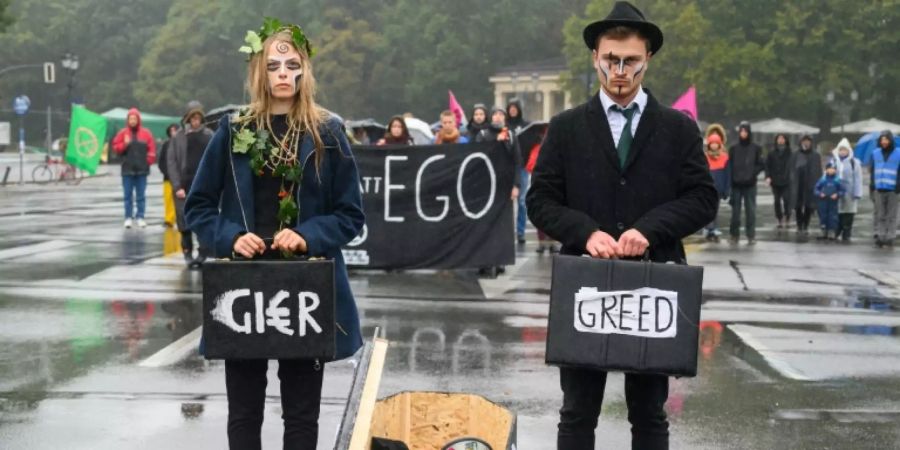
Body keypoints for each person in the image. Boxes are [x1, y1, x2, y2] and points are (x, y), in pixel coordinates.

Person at [526, 3, 718, 448]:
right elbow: (541, 200)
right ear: (595, 56)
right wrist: (586, 232)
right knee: (577, 413)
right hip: (586, 283)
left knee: (650, 414)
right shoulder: (567, 126)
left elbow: (703, 198)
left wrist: (650, 229)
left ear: (647, 57)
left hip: (655, 283)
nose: (620, 70)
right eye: (611, 59)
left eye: (630, 60)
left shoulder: (678, 128)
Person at [184, 21, 365, 450]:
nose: (283, 73)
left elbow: (350, 215)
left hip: (306, 289)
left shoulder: (328, 132)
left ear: (305, 70)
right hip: (244, 285)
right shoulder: (232, 130)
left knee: (301, 415)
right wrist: (229, 237)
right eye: (273, 66)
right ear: (259, 73)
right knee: (244, 412)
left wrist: (307, 234)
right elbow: (199, 206)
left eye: (291, 64)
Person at [168, 103, 214, 268]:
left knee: (203, 220)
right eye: (193, 118)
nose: (195, 121)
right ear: (187, 118)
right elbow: (171, 163)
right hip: (183, 186)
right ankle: (187, 252)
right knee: (184, 222)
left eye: (198, 118)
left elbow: (215, 160)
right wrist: (177, 186)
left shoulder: (209, 135)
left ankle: (203, 252)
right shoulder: (178, 137)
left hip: (203, 185)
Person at [112, 108, 156, 228]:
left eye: (134, 118)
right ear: (128, 120)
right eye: (130, 118)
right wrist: (124, 144)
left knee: (141, 196)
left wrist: (147, 162)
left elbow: (152, 150)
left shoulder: (146, 133)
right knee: (127, 196)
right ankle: (128, 217)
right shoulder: (123, 133)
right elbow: (115, 148)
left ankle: (140, 217)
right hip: (127, 170)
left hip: (142, 170)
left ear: (138, 119)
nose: (132, 121)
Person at [728, 121, 764, 245]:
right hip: (736, 184)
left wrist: (752, 173)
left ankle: (751, 235)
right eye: (741, 131)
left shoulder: (756, 148)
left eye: (745, 131)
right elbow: (729, 165)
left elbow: (761, 164)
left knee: (750, 211)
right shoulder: (733, 148)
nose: (743, 133)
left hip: (750, 184)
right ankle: (734, 234)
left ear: (749, 132)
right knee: (735, 213)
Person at [507, 98, 530, 244]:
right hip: (506, 166)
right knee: (506, 201)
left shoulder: (527, 125)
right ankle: (506, 231)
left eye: (515, 107)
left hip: (522, 166)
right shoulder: (505, 126)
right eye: (510, 108)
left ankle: (520, 231)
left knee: (521, 201)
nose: (513, 110)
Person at [831, 138, 863, 242]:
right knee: (837, 213)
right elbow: (827, 176)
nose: (843, 152)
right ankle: (837, 231)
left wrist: (857, 193)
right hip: (836, 192)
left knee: (849, 214)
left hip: (850, 193)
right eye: (841, 150)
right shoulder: (833, 162)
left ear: (849, 151)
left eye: (845, 150)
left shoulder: (855, 163)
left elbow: (858, 179)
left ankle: (847, 232)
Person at [789, 135, 822, 235]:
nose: (806, 143)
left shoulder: (815, 155)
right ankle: (799, 226)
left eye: (808, 141)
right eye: (804, 141)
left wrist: (818, 183)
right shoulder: (795, 154)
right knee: (798, 205)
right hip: (798, 183)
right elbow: (791, 168)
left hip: (810, 183)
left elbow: (818, 170)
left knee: (809, 205)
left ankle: (806, 225)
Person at [871, 130, 899, 248]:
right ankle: (881, 236)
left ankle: (891, 237)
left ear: (890, 140)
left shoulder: (898, 153)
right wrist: (872, 185)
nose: (884, 142)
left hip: (893, 189)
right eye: (882, 139)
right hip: (879, 188)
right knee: (881, 214)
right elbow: (873, 170)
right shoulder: (875, 153)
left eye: (886, 139)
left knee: (892, 215)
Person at [705, 133, 730, 242]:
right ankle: (710, 229)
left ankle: (712, 229)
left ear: (719, 144)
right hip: (707, 189)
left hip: (718, 189)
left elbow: (727, 175)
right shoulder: (704, 157)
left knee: (715, 210)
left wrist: (726, 189)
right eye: (712, 143)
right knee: (708, 210)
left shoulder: (725, 157)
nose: (714, 146)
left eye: (716, 143)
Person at [765, 133, 793, 228]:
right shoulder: (771, 153)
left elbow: (793, 166)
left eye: (782, 138)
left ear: (785, 140)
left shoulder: (790, 153)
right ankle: (779, 217)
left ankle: (787, 215)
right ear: (776, 140)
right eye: (779, 138)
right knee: (776, 200)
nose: (780, 140)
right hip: (775, 180)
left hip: (786, 180)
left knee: (786, 199)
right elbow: (767, 166)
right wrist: (768, 177)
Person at [814, 162, 845, 240]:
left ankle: (831, 231)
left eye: (833, 169)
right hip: (823, 201)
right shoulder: (822, 179)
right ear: (826, 170)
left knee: (833, 216)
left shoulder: (837, 180)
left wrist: (837, 195)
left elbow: (843, 190)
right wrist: (820, 194)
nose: (831, 171)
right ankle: (823, 230)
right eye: (829, 169)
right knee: (823, 215)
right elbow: (816, 189)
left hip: (833, 201)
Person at [159, 123, 180, 228]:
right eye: (171, 130)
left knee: (180, 200)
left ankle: (179, 219)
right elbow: (161, 161)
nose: (173, 132)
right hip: (167, 177)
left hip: (180, 178)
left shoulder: (182, 144)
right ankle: (169, 219)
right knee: (168, 199)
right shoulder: (166, 145)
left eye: (175, 130)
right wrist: (166, 172)